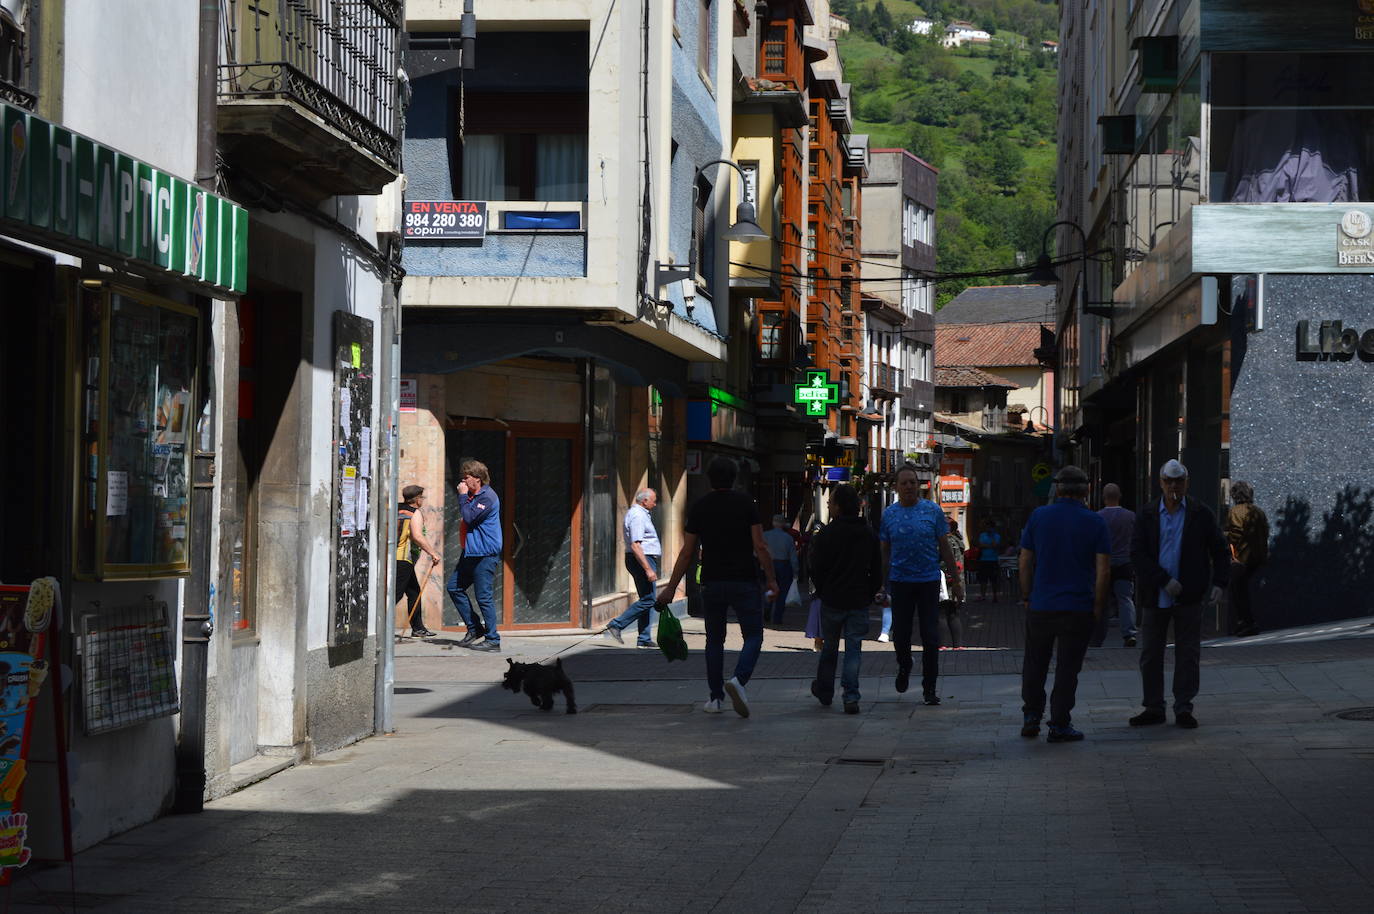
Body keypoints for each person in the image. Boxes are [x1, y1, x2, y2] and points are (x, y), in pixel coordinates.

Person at [658, 457, 778, 718]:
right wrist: (771, 579)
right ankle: (739, 680)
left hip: (711, 581)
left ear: (710, 478)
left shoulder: (700, 507)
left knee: (714, 640)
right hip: (744, 581)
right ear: (734, 478)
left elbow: (687, 552)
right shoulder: (746, 504)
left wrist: (671, 587)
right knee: (754, 636)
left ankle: (715, 698)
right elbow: (760, 545)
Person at [1129, 459, 1229, 729]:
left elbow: (1220, 549)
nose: (1174, 486)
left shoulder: (1200, 513)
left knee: (1188, 652)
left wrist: (1220, 583)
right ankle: (1153, 706)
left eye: (1179, 481)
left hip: (1189, 595)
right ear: (1161, 483)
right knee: (1151, 653)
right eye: (1169, 481)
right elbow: (1137, 554)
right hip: (1156, 595)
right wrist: (1162, 580)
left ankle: (1183, 706)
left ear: (1187, 483)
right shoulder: (1147, 514)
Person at [1018, 466, 1112, 743]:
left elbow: (1024, 561)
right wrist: (1097, 606)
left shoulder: (1039, 517)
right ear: (1087, 490)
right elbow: (1103, 570)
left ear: (1057, 489)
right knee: (1068, 668)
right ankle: (1059, 723)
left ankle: (1031, 716)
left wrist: (1027, 596)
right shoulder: (1095, 522)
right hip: (1077, 606)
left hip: (1042, 604)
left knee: (1035, 663)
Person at [879, 465, 963, 705]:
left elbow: (944, 547)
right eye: (904, 483)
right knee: (901, 634)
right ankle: (904, 665)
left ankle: (930, 688)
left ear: (918, 485)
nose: (909, 487)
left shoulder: (932, 510)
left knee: (930, 635)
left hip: (928, 580)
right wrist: (880, 583)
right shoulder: (889, 514)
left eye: (912, 482)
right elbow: (884, 551)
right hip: (900, 581)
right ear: (896, 487)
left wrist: (955, 580)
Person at [808, 484, 882, 715]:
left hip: (832, 599)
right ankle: (851, 696)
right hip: (858, 599)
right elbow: (877, 569)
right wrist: (869, 593)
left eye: (831, 502)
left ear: (838, 507)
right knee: (853, 649)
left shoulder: (827, 534)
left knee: (829, 648)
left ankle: (825, 690)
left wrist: (823, 591)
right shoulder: (868, 533)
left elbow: (815, 568)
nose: (829, 506)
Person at [447, 459, 504, 652]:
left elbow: (470, 517)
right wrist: (466, 496)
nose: (463, 482)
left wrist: (462, 496)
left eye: (466, 478)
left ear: (477, 478)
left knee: (483, 597)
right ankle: (475, 628)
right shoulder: (473, 496)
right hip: (471, 552)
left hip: (485, 553)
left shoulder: (487, 497)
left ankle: (493, 640)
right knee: (454, 587)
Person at [603, 489, 662, 648]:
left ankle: (644, 639)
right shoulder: (638, 515)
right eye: (653, 500)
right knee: (649, 600)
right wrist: (648, 569)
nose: (655, 504)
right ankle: (616, 624)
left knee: (646, 599)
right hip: (642, 559)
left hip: (642, 558)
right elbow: (636, 545)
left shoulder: (640, 514)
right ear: (645, 501)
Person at [1094, 483, 1138, 648]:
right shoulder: (1130, 516)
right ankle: (1129, 633)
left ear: (1104, 497)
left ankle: (1097, 637)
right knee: (1125, 599)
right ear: (1119, 496)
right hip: (1125, 563)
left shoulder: (1098, 517)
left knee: (1101, 600)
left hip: (1103, 564)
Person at [396, 485, 442, 638]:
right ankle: (378, 625)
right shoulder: (414, 513)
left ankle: (418, 628)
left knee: (414, 592)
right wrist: (433, 553)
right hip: (403, 558)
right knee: (395, 594)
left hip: (393, 558)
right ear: (417, 499)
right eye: (422, 497)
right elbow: (417, 536)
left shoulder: (396, 509)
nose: (423, 500)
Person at [1225, 481, 1269, 637]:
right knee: (1240, 588)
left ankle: (1247, 623)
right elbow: (1265, 533)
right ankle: (1245, 622)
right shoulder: (1258, 511)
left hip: (1242, 558)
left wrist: (1225, 537)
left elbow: (1235, 534)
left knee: (1238, 589)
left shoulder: (1235, 511)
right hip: (1257, 557)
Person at [762, 514, 799, 625]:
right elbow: (793, 556)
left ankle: (767, 607)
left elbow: (759, 550)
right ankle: (777, 617)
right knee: (782, 592)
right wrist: (796, 571)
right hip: (784, 565)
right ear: (783, 524)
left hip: (769, 563)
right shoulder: (788, 538)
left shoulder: (765, 535)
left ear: (773, 523)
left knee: (770, 588)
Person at [941, 516, 966, 649]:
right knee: (954, 613)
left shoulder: (945, 541)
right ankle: (958, 645)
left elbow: (945, 560)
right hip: (958, 580)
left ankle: (942, 644)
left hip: (946, 581)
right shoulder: (958, 540)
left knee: (940, 613)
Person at [976, 518, 1002, 601]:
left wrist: (988, 544)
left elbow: (996, 546)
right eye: (987, 527)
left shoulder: (997, 536)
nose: (988, 529)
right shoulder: (982, 535)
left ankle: (995, 596)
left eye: (990, 527)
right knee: (983, 579)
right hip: (983, 560)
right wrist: (990, 545)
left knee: (994, 579)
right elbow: (980, 545)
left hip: (993, 560)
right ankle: (983, 595)